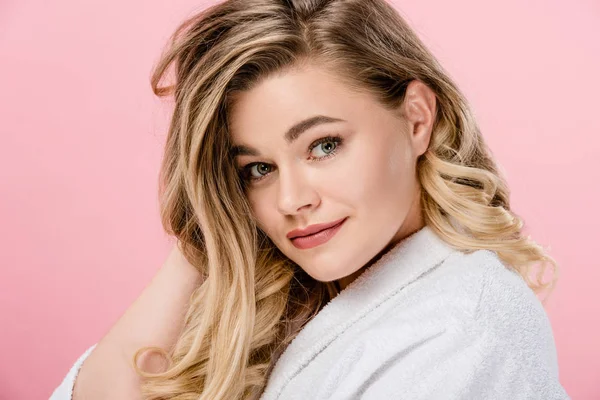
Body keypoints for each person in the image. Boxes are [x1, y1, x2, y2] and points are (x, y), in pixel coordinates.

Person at [50, 0, 571, 399]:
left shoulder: (468, 329)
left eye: (324, 146)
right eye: (257, 169)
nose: (291, 199)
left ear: (416, 118)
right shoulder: (292, 297)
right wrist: (205, 235)